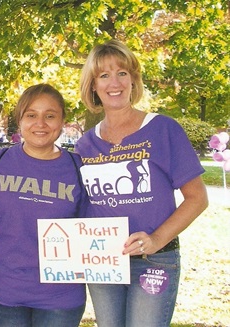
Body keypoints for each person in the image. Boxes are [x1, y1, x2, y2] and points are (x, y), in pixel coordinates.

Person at [75, 39, 208, 327]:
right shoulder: (84, 144)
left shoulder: (164, 129)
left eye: (123, 73)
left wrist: (156, 240)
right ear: (94, 86)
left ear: (134, 80)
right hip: (104, 262)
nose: (115, 83)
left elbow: (197, 198)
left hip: (155, 260)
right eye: (104, 75)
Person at [0, 84, 88, 327]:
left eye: (50, 116)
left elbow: (90, 228)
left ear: (62, 121)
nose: (41, 123)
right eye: (31, 115)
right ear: (19, 120)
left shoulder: (78, 168)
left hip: (61, 296)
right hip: (4, 292)